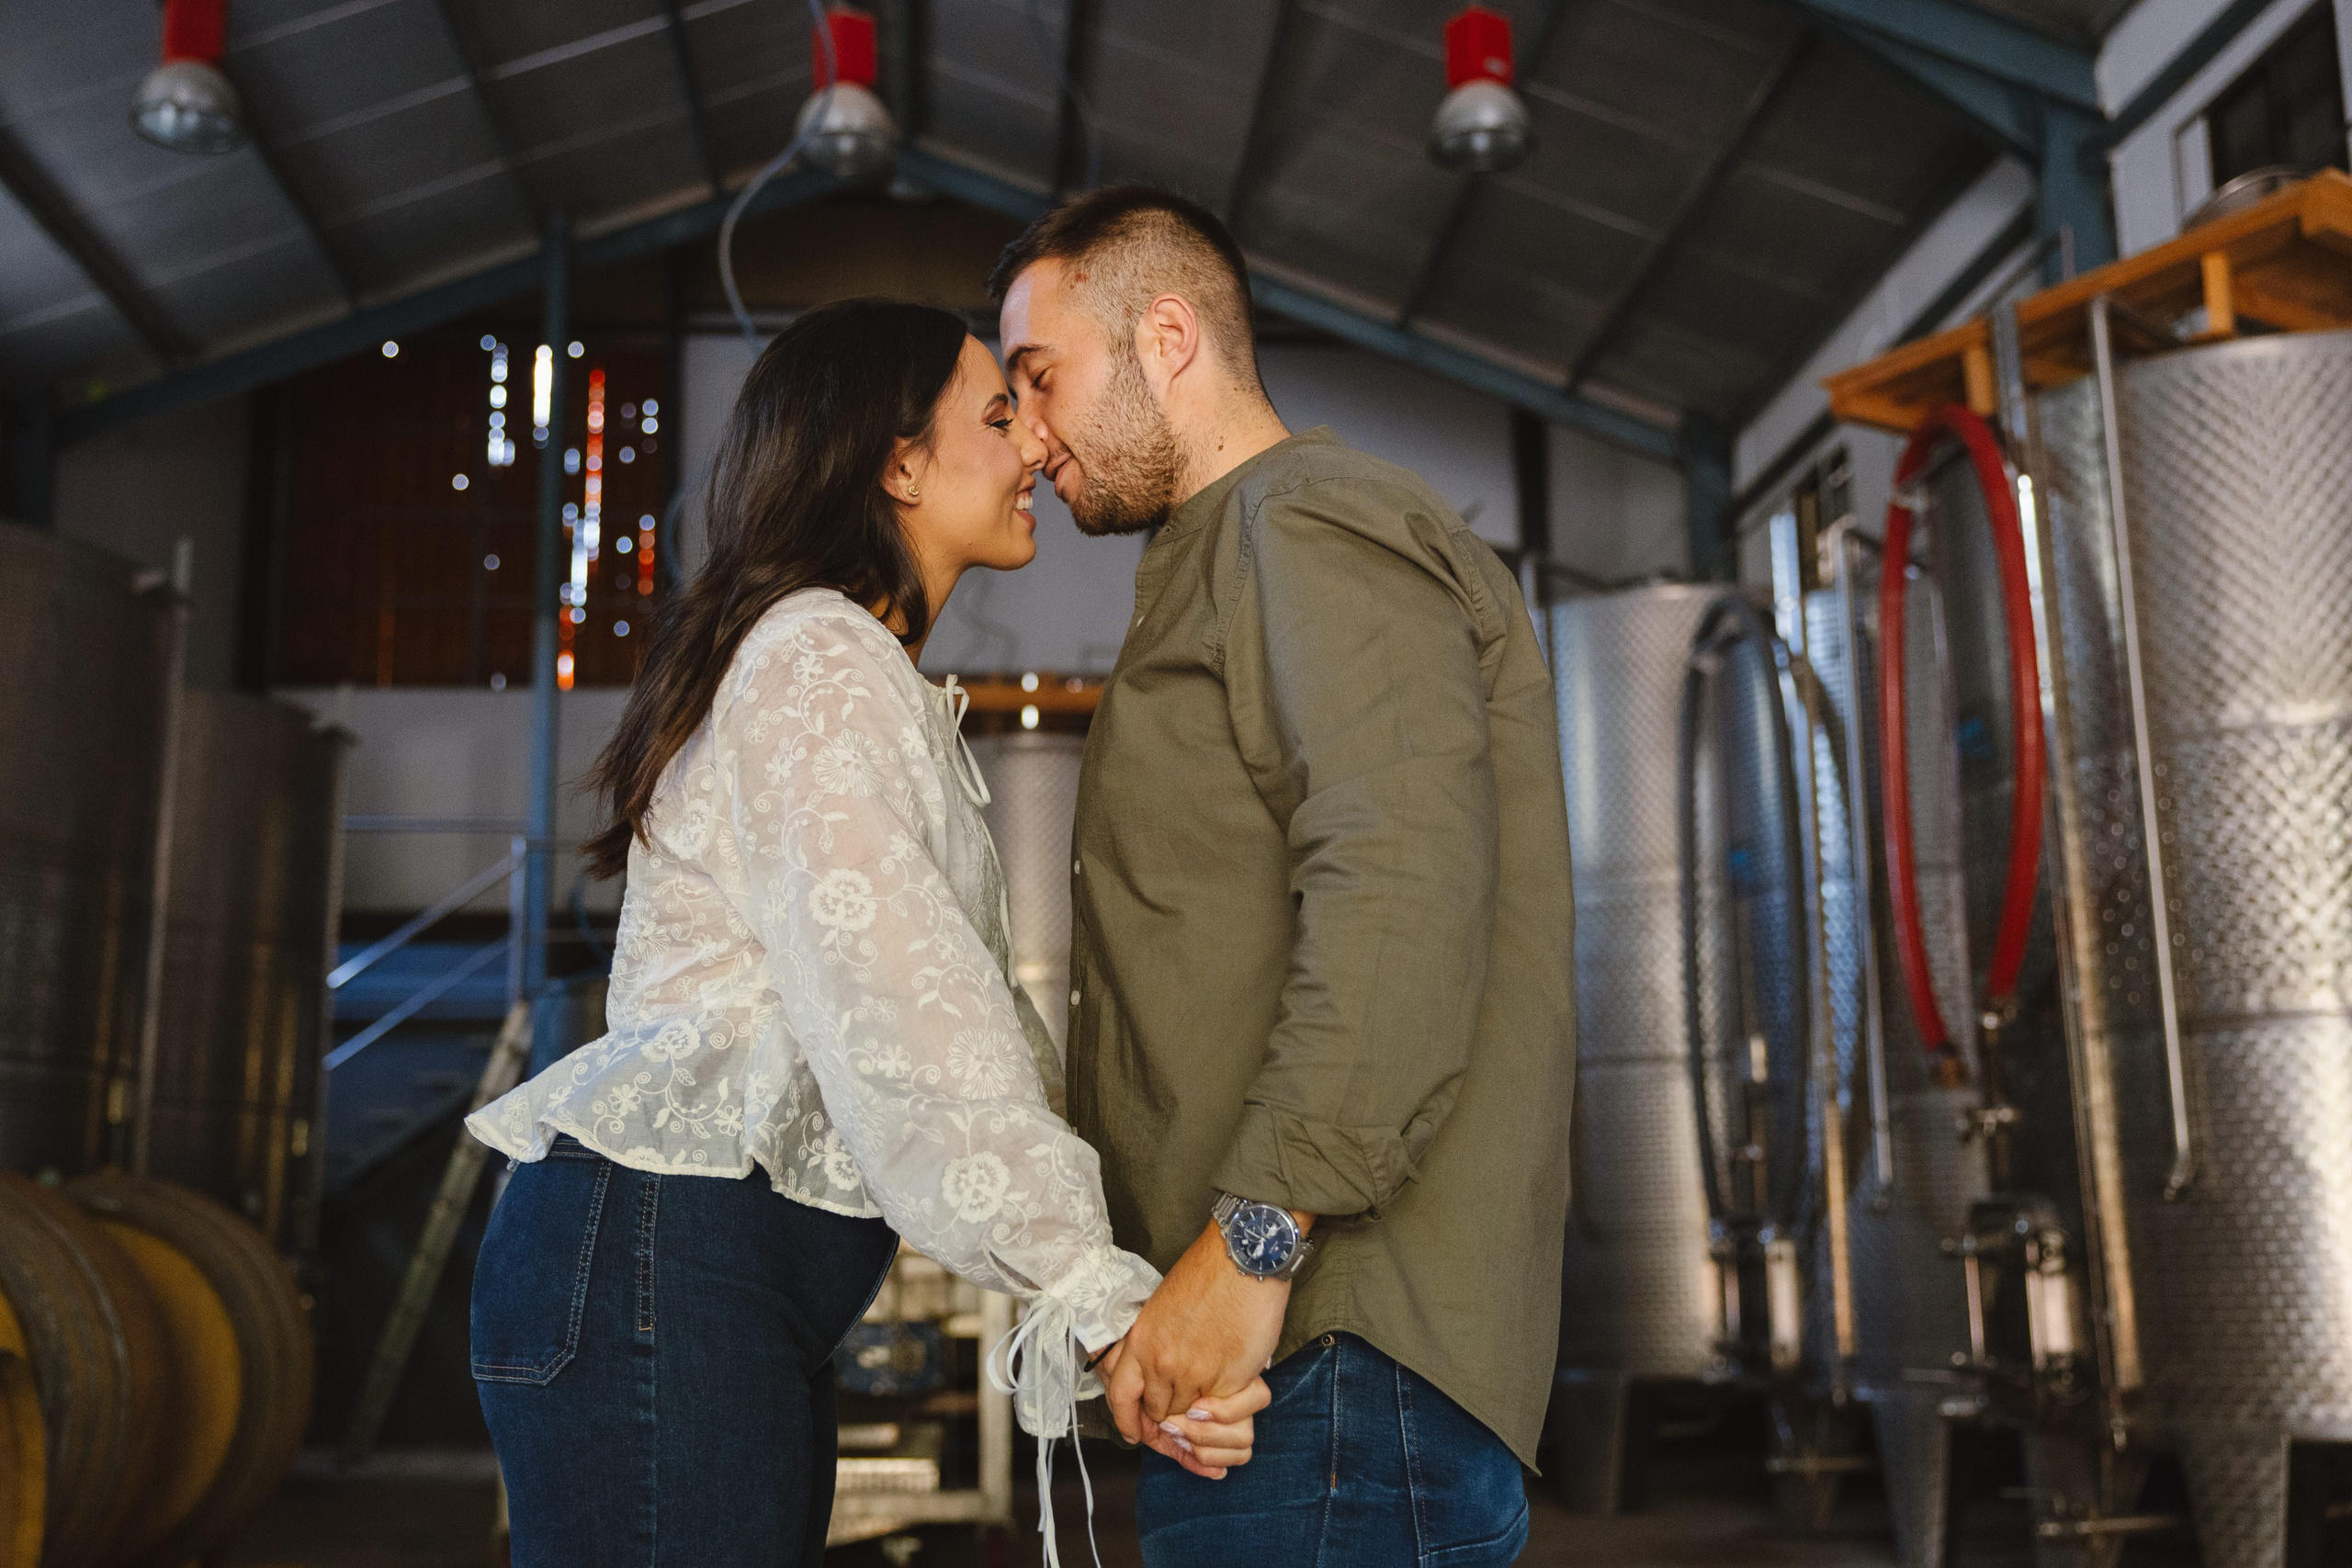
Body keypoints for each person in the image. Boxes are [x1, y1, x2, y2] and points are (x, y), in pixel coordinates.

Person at [463, 298, 1266, 1568]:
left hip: (692, 1285)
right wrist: (1103, 1304)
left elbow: (949, 1021)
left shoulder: (838, 667)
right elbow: (913, 1021)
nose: (1033, 447)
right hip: (664, 1283)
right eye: (1000, 412)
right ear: (898, 464)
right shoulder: (823, 662)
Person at [992, 186, 1577, 1567]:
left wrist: (1254, 1242)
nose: (1028, 428)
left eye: (1040, 376)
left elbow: (1398, 884)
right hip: (1271, 1366)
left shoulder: (1304, 523)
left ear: (1170, 337)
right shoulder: (1227, 556)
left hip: (1335, 1355)